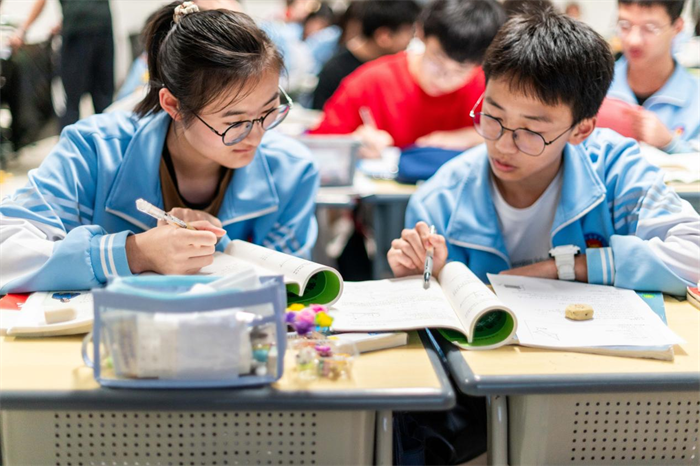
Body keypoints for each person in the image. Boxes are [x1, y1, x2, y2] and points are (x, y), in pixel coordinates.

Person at [0, 2, 319, 293]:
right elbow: (8, 250)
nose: (256, 135)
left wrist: (211, 248)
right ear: (173, 105)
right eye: (235, 122)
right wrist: (134, 253)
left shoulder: (291, 170)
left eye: (270, 110)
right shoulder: (95, 150)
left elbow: (291, 286)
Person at [387, 8, 699, 296]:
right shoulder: (440, 200)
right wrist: (419, 283)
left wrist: (571, 268)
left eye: (531, 131)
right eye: (492, 117)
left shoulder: (614, 169)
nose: (502, 145)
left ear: (581, 130)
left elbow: (693, 252)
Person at [309, 0, 506, 158]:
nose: (444, 78)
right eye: (437, 61)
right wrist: (354, 143)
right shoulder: (371, 81)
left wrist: (472, 137)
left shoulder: (488, 91)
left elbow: (516, 139)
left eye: (461, 70)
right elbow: (317, 145)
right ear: (420, 33)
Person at [604, 0, 699, 153]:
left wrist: (671, 145)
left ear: (677, 27)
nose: (633, 40)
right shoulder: (595, 85)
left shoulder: (696, 98)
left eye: (649, 28)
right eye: (624, 26)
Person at [9, 0, 115, 129]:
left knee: (69, 102)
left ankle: (69, 140)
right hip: (103, 25)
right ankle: (109, 139)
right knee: (104, 100)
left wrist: (22, 30)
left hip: (77, 32)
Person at [311, 0, 420, 110]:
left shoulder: (403, 67)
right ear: (384, 36)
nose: (411, 39)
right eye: (410, 32)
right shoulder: (336, 71)